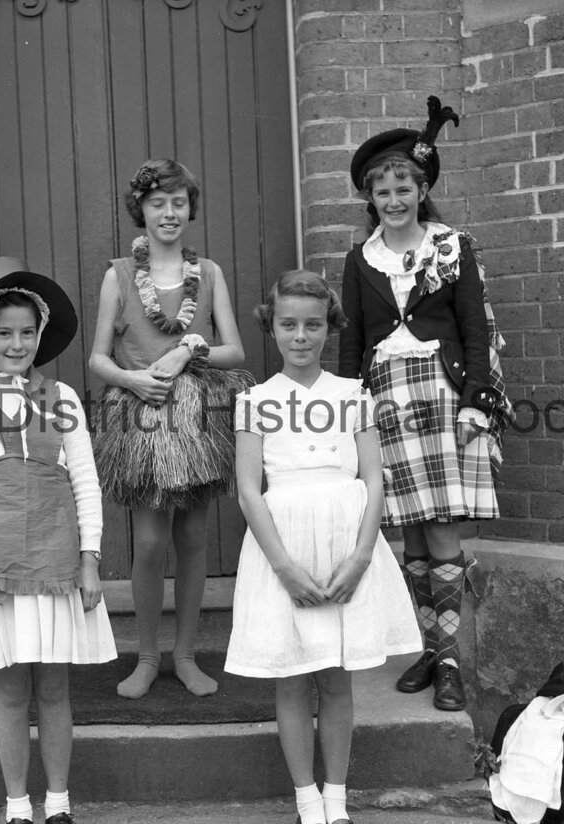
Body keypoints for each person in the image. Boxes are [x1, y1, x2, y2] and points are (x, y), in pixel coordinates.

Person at [225, 270, 422, 824]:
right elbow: (247, 489)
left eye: (313, 325)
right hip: (283, 546)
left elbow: (375, 480)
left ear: (329, 328)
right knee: (292, 678)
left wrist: (361, 556)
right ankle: (306, 799)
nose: (301, 336)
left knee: (336, 679)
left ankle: (336, 798)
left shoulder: (353, 395)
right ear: (272, 328)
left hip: (344, 542)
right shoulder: (255, 401)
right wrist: (283, 567)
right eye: (288, 325)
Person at [338, 96, 510, 712]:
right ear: (370, 198)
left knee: (440, 531)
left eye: (403, 187)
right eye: (381, 191)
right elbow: (353, 339)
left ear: (421, 187)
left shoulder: (453, 247)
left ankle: (451, 664)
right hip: (385, 397)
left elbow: (474, 330)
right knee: (407, 535)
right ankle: (432, 649)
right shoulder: (360, 260)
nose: (393, 199)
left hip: (442, 396)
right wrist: (349, 415)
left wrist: (475, 405)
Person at [0, 257, 116, 824]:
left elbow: (85, 481)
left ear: (39, 336)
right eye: (3, 333)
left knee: (55, 690)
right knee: (11, 692)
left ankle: (58, 802)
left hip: (56, 563)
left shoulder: (60, 398)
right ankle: (18, 805)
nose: (16, 344)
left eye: (26, 333)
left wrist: (90, 561)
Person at [89, 159, 252, 699]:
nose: (169, 213)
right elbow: (97, 359)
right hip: (140, 415)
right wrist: (132, 379)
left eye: (179, 203)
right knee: (152, 538)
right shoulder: (117, 275)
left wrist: (187, 349)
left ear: (190, 209)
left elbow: (234, 350)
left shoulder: (208, 273)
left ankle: (185, 655)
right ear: (141, 208)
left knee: (191, 535)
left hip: (197, 418)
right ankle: (147, 656)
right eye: (158, 203)